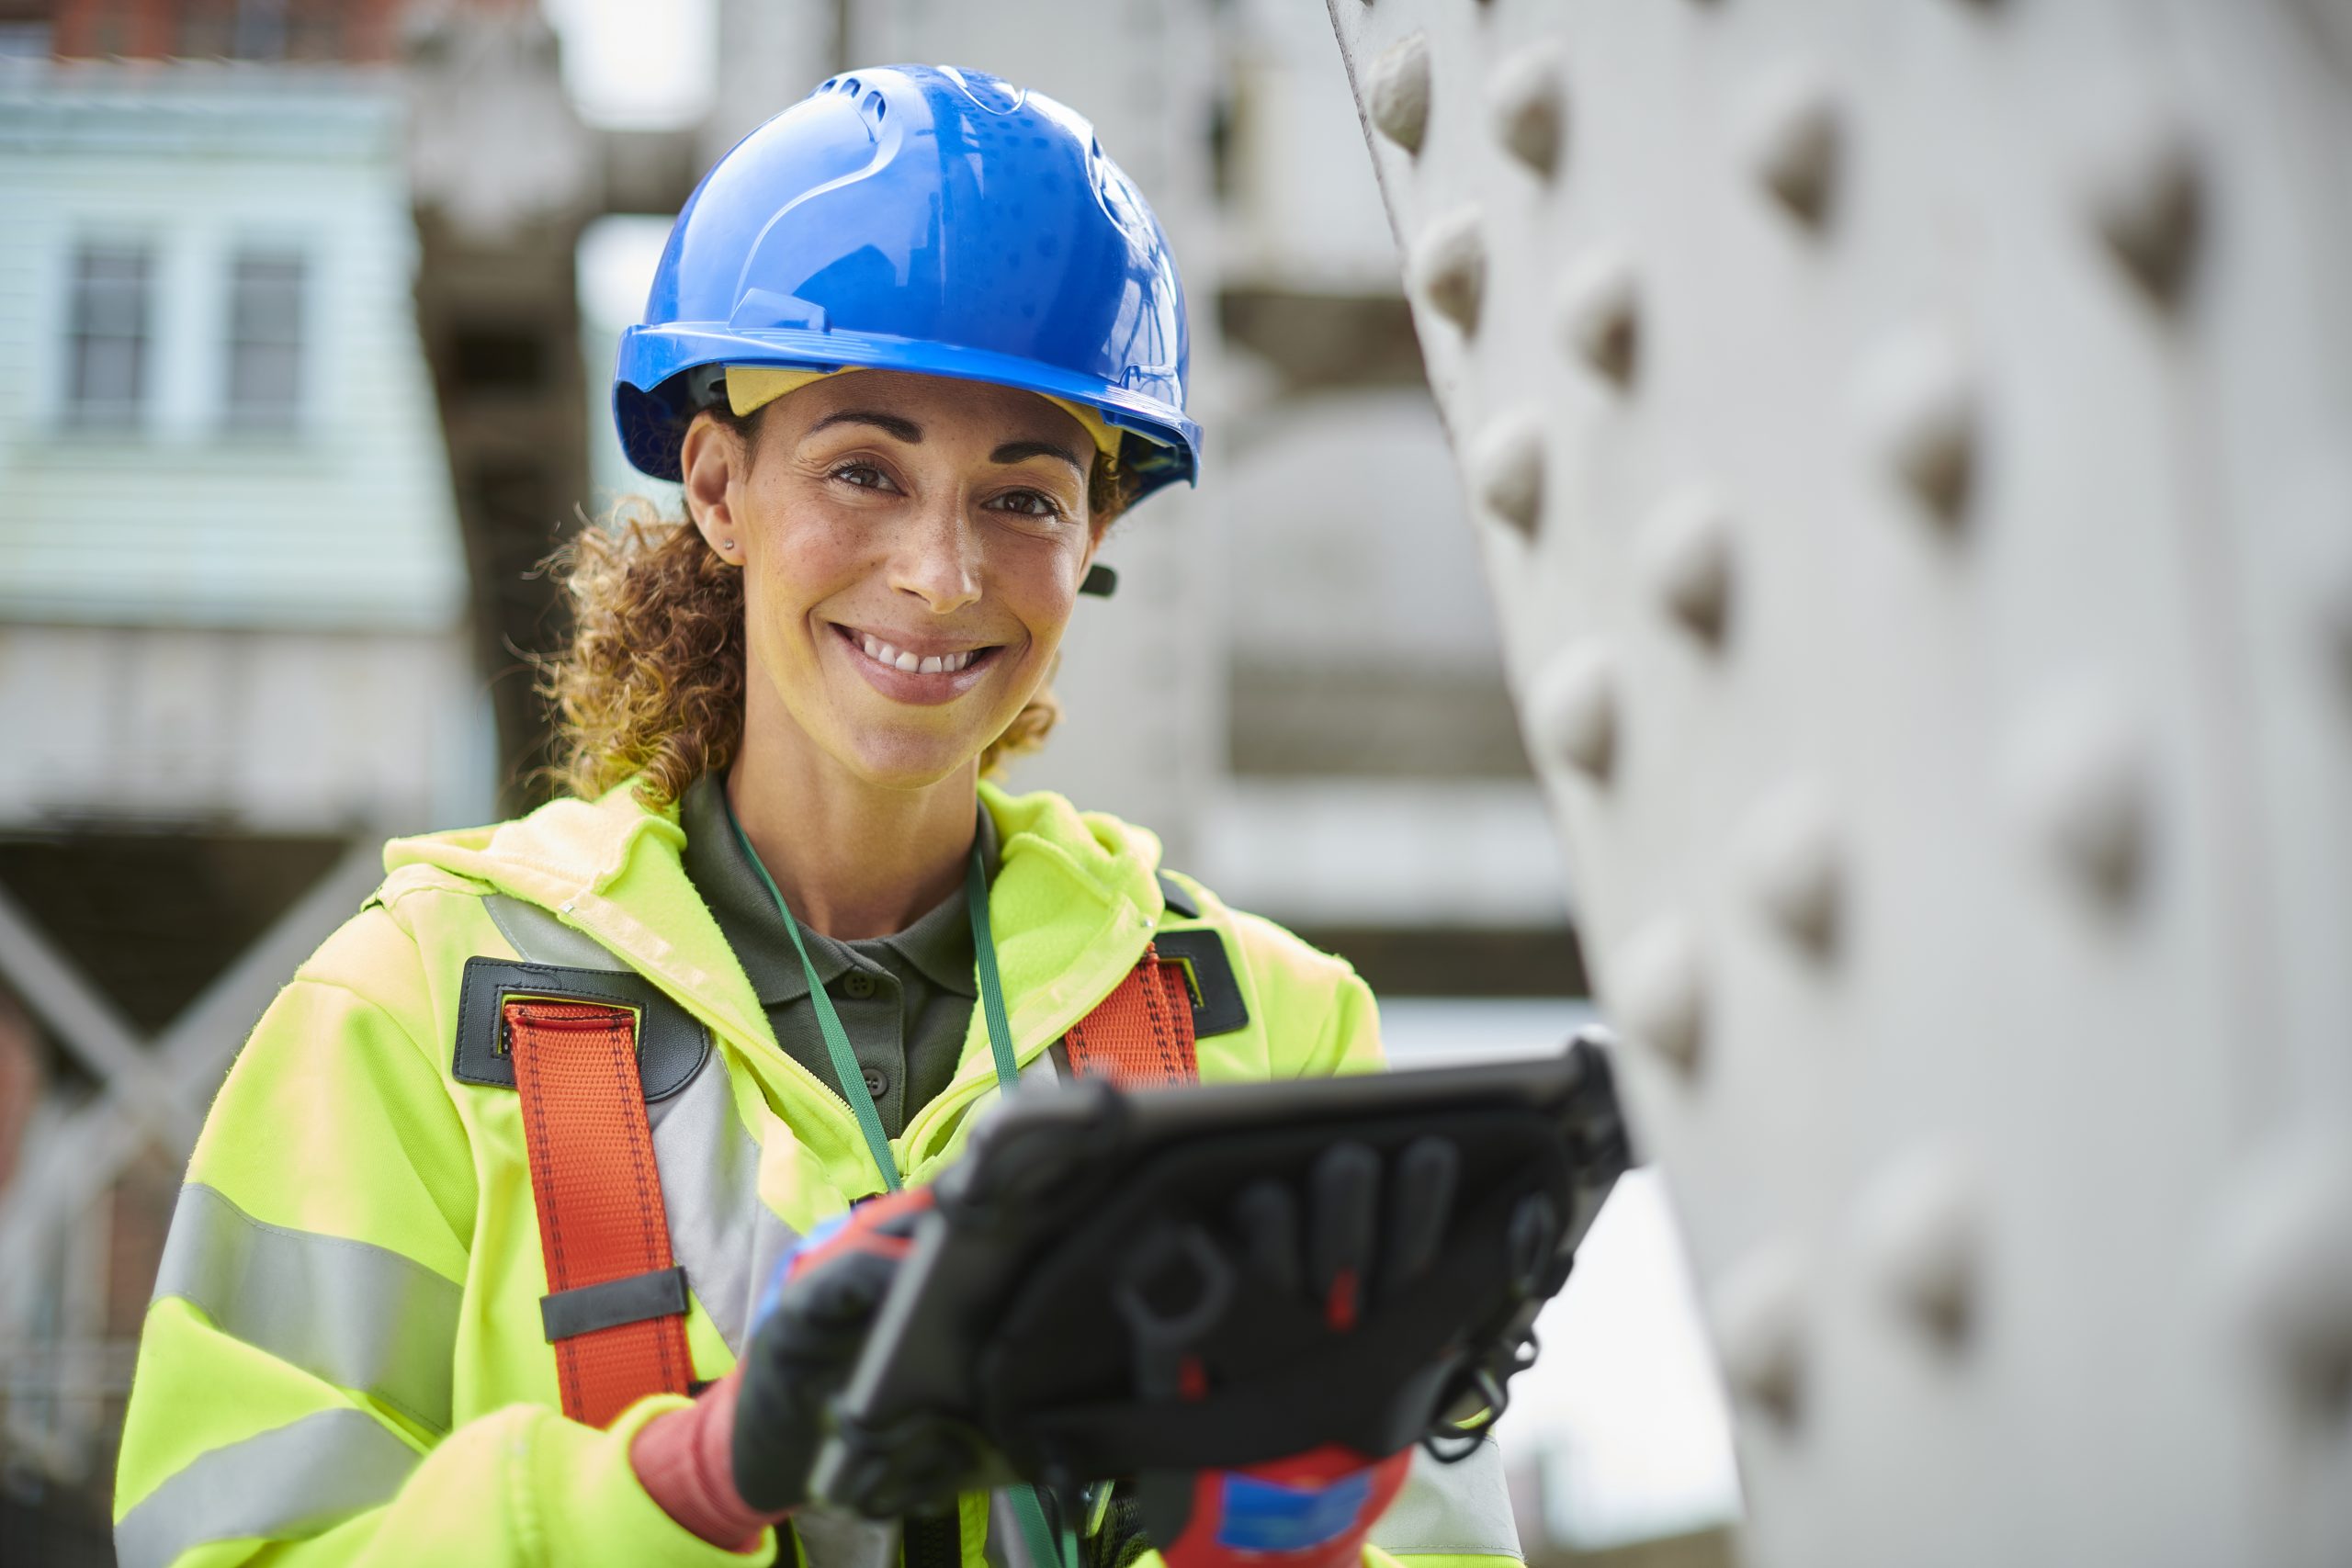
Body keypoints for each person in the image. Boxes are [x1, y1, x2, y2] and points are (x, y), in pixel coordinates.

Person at [113, 65, 1523, 1568]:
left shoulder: (1277, 1044)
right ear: (718, 486)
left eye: (1024, 498)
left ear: (1096, 533)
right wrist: (685, 1486)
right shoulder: (407, 1010)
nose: (941, 574)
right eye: (864, 470)